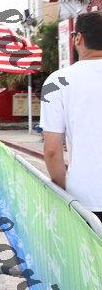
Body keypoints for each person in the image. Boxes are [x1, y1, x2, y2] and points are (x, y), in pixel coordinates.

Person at [41, 11, 102, 223]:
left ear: (78, 38)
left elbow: (52, 150)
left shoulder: (57, 82)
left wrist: (62, 192)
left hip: (86, 198)